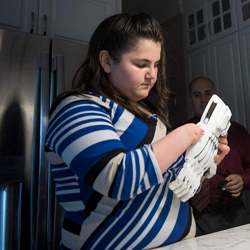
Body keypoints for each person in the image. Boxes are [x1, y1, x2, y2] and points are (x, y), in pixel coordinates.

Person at [45, 14, 229, 249]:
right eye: (141, 64)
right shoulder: (76, 107)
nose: (152, 74)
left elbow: (169, 177)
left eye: (155, 64)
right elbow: (116, 177)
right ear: (107, 61)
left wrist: (206, 161)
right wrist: (184, 136)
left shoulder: (147, 114)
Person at [187, 76, 250, 236]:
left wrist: (243, 179)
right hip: (199, 216)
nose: (203, 100)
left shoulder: (238, 132)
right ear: (191, 100)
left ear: (216, 97)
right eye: (197, 95)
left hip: (236, 212)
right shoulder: (182, 133)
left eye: (208, 94)